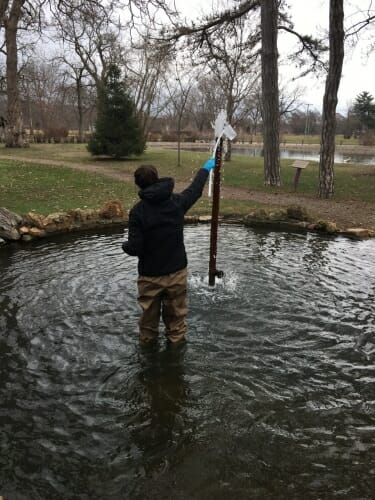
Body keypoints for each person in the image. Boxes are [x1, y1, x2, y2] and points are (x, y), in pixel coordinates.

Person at [122, 158, 215, 344]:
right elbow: (194, 190)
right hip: (176, 274)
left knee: (148, 327)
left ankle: (149, 366)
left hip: (150, 277)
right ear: (157, 178)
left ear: (138, 185)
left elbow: (134, 247)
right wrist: (205, 169)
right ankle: (175, 365)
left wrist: (125, 246)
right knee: (176, 325)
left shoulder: (138, 212)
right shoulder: (176, 203)